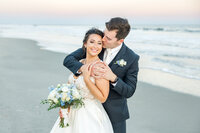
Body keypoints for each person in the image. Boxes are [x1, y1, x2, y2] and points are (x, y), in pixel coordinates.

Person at [63, 17, 140, 133]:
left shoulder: (131, 58)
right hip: (86, 110)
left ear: (120, 41)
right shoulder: (96, 46)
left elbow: (129, 91)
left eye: (108, 38)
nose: (103, 39)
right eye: (104, 34)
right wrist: (84, 69)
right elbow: (68, 60)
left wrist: (113, 78)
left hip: (114, 113)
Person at [50, 28, 114, 133]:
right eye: (92, 42)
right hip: (71, 113)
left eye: (99, 43)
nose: (95, 46)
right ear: (85, 44)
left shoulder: (100, 67)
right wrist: (64, 106)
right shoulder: (79, 62)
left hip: (89, 115)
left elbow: (103, 98)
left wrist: (87, 79)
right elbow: (71, 87)